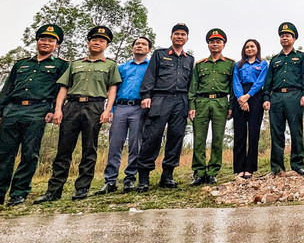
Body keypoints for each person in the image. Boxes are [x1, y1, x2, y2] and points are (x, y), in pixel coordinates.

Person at [0, 25, 69, 208]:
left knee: (30, 154)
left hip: (37, 111)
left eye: (51, 40)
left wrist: (53, 110)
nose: (46, 42)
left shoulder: (61, 65)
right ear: (37, 41)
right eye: (43, 39)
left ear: (57, 44)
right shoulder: (21, 64)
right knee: (4, 154)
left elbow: (60, 90)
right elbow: (7, 88)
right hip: (12, 111)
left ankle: (19, 194)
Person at [35, 26, 120, 202]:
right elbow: (64, 88)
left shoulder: (110, 65)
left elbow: (112, 88)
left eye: (102, 41)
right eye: (94, 40)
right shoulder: (74, 64)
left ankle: (82, 188)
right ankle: (54, 190)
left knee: (89, 149)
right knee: (64, 150)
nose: (97, 43)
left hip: (94, 107)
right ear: (89, 42)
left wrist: (107, 110)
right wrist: (58, 109)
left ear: (107, 45)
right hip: (72, 107)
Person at [135, 23, 195, 192]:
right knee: (152, 137)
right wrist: (146, 95)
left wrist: (191, 105)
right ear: (171, 37)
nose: (179, 36)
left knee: (176, 137)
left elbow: (191, 84)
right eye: (176, 34)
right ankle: (144, 178)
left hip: (181, 101)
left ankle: (167, 176)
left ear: (187, 39)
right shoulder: (160, 54)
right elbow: (150, 75)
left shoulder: (189, 59)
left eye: (183, 34)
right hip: (160, 99)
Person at [95, 36, 152, 195]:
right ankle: (110, 180)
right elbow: (112, 90)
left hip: (139, 109)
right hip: (120, 108)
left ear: (148, 49)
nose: (140, 46)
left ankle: (130, 179)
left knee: (136, 145)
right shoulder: (121, 68)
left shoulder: (151, 68)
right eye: (137, 44)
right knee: (115, 144)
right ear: (132, 47)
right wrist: (110, 110)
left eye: (144, 44)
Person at [262, 22, 304, 177]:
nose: (284, 38)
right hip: (276, 98)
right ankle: (276, 168)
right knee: (276, 132)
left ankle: (297, 165)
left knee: (296, 131)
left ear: (294, 38)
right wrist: (266, 98)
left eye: (287, 36)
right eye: (282, 36)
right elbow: (268, 80)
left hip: (294, 96)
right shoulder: (275, 59)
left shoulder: (301, 57)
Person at [188, 29, 235, 186]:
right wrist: (191, 106)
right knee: (199, 139)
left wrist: (231, 106)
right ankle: (199, 172)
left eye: (218, 42)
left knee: (217, 139)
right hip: (201, 103)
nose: (215, 44)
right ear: (208, 44)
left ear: (223, 45)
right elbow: (193, 87)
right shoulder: (200, 65)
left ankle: (213, 171)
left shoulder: (230, 64)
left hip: (220, 103)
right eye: (212, 42)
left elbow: (233, 87)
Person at [232, 39, 268, 179]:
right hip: (239, 97)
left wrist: (248, 96)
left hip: (255, 97)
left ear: (257, 48)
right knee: (240, 134)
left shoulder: (263, 64)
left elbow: (260, 82)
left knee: (254, 133)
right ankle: (239, 168)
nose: (249, 49)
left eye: (252, 46)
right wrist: (241, 98)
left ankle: (250, 168)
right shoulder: (239, 65)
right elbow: (236, 81)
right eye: (247, 47)